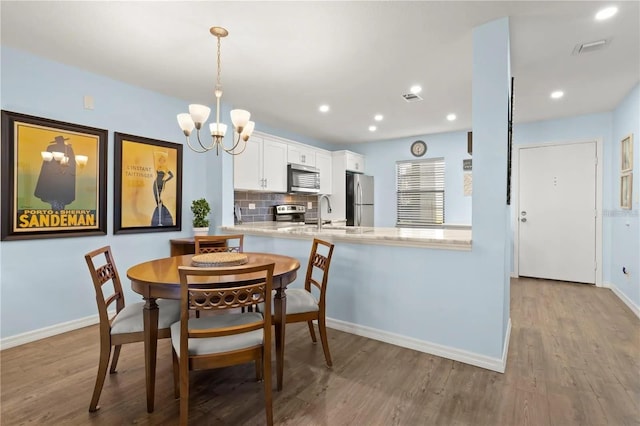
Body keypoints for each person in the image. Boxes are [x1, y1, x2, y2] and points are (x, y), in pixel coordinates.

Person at [34, 135, 76, 211]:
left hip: (64, 177)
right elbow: (47, 162)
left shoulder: (68, 149)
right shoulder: (51, 148)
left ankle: (58, 209)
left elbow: (72, 162)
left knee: (61, 196)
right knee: (54, 196)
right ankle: (56, 209)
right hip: (52, 177)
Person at [151, 151, 174, 226]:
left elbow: (171, 175)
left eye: (162, 160)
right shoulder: (157, 167)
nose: (161, 161)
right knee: (157, 200)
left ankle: (161, 218)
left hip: (161, 184)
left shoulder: (165, 168)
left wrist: (165, 181)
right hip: (156, 183)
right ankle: (159, 219)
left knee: (160, 200)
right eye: (160, 160)